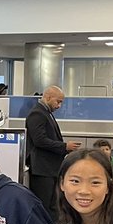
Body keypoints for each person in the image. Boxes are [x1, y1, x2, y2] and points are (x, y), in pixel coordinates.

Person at [24, 86, 81, 215]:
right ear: (48, 97)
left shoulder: (46, 113)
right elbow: (40, 140)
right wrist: (64, 147)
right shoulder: (37, 113)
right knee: (44, 206)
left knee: (53, 206)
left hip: (50, 169)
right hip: (42, 169)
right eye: (58, 101)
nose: (59, 106)